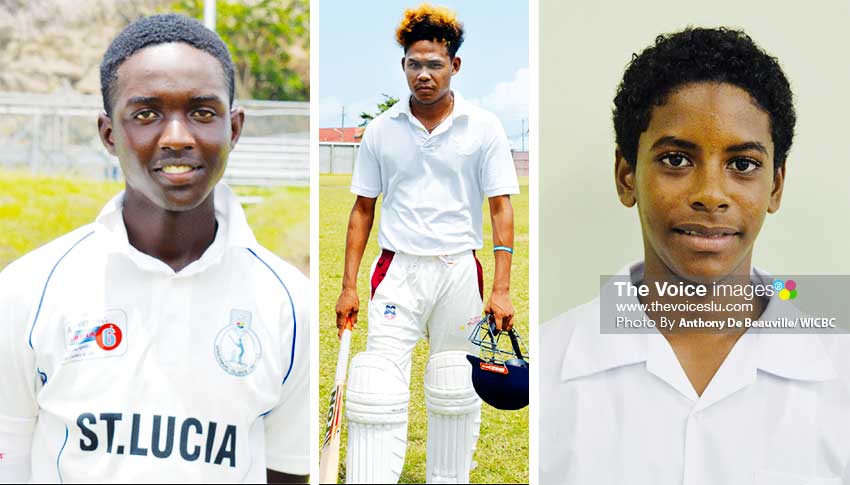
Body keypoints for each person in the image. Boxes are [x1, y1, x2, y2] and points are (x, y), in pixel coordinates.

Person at [0, 14, 309, 483]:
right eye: (146, 114)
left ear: (236, 128)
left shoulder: (289, 303)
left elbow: (286, 470)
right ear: (108, 134)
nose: (178, 137)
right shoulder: (27, 291)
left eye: (203, 112)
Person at [540, 27, 850, 484]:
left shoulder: (839, 371)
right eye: (675, 160)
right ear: (626, 176)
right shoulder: (549, 370)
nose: (710, 194)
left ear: (776, 186)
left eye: (742, 164)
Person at [333, 4, 519, 483]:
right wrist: (348, 285)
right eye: (414, 64)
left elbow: (501, 209)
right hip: (398, 271)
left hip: (459, 270)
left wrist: (501, 289)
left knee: (455, 383)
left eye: (434, 64)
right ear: (403, 66)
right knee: (375, 385)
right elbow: (362, 210)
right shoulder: (381, 130)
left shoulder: (484, 127)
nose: (424, 74)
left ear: (454, 66)